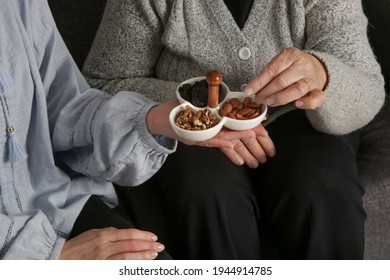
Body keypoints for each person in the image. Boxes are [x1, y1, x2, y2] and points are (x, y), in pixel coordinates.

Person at [82, 0, 386, 259]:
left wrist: (322, 73)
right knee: (205, 191)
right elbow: (103, 85)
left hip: (302, 116)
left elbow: (367, 87)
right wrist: (202, 109)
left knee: (321, 185)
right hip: (188, 124)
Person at [0, 0, 261, 260]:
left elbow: (64, 107)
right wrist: (51, 257)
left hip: (55, 205)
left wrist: (153, 119)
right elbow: (107, 78)